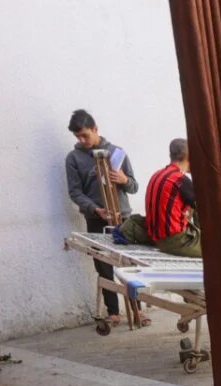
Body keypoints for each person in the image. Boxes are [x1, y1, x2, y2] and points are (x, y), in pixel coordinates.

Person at [64, 109, 141, 327]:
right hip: (97, 219)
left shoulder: (117, 152)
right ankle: (113, 312)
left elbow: (134, 186)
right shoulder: (73, 158)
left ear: (95, 129)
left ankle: (138, 310)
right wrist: (94, 209)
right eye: (78, 137)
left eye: (85, 135)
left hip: (123, 216)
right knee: (103, 265)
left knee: (130, 264)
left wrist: (124, 179)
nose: (82, 140)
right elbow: (75, 192)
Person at [143, 138, 201, 258]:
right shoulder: (181, 180)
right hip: (175, 241)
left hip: (156, 237)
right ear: (188, 156)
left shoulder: (157, 174)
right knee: (219, 247)